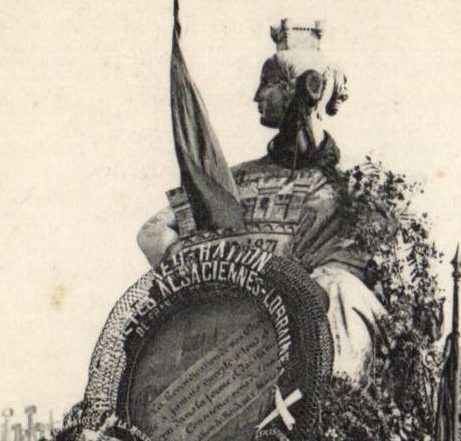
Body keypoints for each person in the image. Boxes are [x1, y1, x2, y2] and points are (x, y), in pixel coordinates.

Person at [138, 19, 386, 383]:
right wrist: (200, 267)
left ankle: (329, 407)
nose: (257, 96)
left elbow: (362, 283)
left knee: (342, 291)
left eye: (268, 84)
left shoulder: (352, 191)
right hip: (241, 337)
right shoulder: (235, 180)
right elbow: (152, 232)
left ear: (303, 89)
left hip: (317, 341)